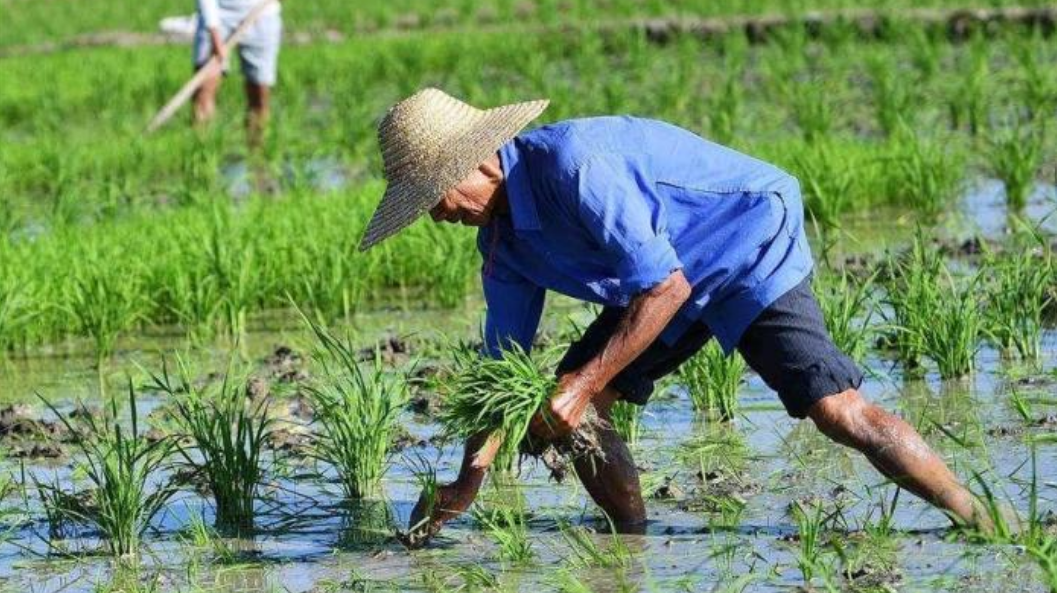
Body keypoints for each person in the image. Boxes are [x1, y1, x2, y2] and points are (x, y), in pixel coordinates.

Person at [358, 87, 987, 544]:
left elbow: (664, 287)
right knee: (580, 417)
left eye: (435, 196)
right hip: (662, 277)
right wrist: (467, 482)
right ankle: (631, 551)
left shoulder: (578, 166)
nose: (438, 215)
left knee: (837, 410)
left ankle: (984, 520)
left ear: (480, 161)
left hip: (745, 240)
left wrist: (578, 384)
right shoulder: (503, 246)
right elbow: (504, 368)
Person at [192, 0, 294, 145]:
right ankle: (201, 154)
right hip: (218, 12)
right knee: (204, 89)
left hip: (262, 10)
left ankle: (256, 156)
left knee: (260, 93)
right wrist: (215, 36)